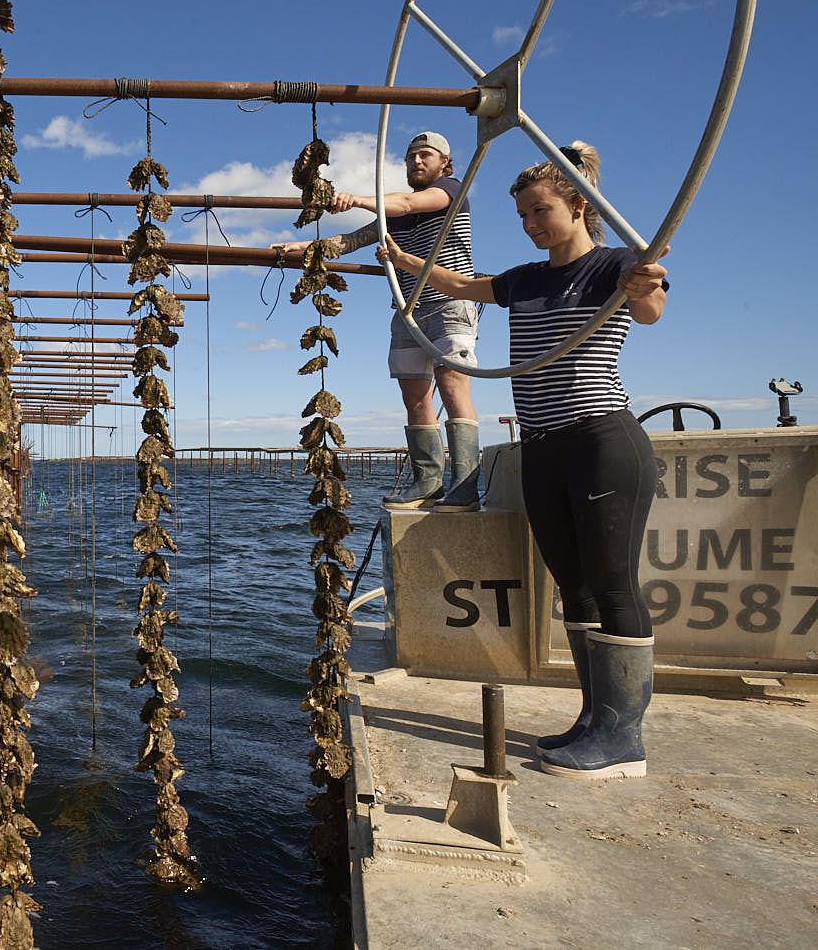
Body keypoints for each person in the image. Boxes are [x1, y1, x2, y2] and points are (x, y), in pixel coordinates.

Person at [380, 141, 668, 780]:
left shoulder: (617, 265)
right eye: (523, 217)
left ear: (578, 204)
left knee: (613, 583)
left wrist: (644, 284)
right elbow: (461, 283)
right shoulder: (528, 278)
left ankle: (625, 740)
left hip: (600, 443)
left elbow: (648, 309)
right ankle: (596, 719)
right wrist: (400, 259)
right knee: (574, 586)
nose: (533, 225)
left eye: (541, 211)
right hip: (543, 449)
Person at [274, 131, 481, 511]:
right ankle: (427, 482)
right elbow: (350, 241)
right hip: (406, 311)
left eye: (426, 155)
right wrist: (304, 248)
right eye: (411, 157)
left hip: (450, 304)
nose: (417, 161)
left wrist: (357, 199)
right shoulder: (391, 216)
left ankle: (465, 488)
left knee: (453, 389)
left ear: (444, 164)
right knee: (414, 397)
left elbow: (407, 203)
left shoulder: (451, 189)